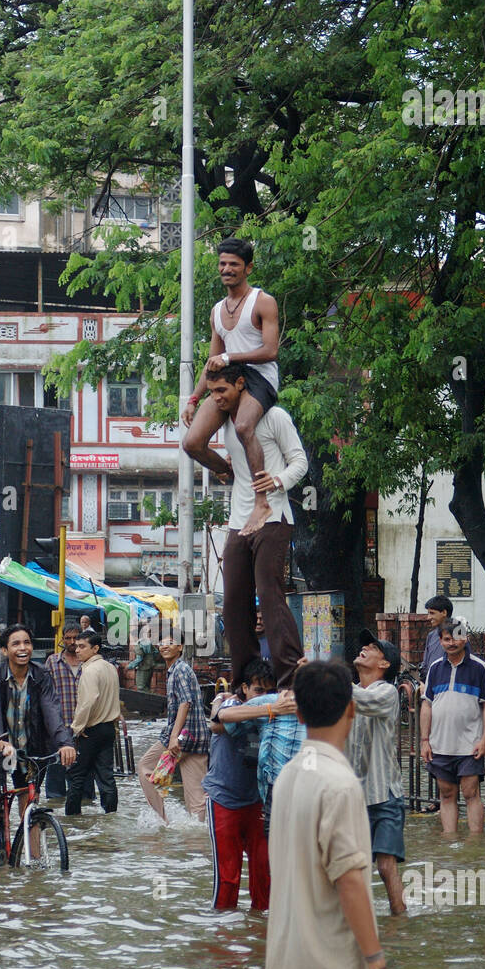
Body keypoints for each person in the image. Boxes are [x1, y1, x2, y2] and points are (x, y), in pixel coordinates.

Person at [265, 660, 393, 969]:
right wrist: (376, 963)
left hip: (290, 965)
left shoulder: (290, 776)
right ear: (351, 712)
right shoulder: (339, 786)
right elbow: (352, 882)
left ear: (298, 715)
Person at [187, 364, 307, 689]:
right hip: (239, 521)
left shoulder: (275, 416)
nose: (217, 399)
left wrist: (278, 479)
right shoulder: (227, 423)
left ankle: (291, 679)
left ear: (241, 384)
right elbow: (199, 446)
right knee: (233, 605)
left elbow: (300, 461)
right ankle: (245, 681)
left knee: (270, 597)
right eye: (211, 393)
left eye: (221, 391)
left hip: (274, 517)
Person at [182, 237, 281, 535]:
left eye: (234, 264)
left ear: (248, 268)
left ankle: (261, 501)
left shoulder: (262, 301)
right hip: (227, 380)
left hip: (259, 377)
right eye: (223, 263)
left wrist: (229, 356)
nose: (227, 269)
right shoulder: (217, 311)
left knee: (242, 428)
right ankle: (230, 471)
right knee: (192, 443)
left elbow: (271, 350)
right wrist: (194, 397)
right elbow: (213, 361)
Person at [0, 623, 76, 862]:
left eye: (26, 642)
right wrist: (0, 741)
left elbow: (53, 713)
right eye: (16, 643)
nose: (22, 647)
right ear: (5, 650)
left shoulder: (41, 676)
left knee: (30, 804)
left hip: (30, 749)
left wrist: (65, 743)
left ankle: (33, 861)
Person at [204, 659, 273, 913]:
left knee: (263, 871)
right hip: (225, 798)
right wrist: (265, 710)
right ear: (244, 688)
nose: (263, 697)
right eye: (258, 690)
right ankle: (223, 933)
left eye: (268, 692)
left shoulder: (276, 708)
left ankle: (260, 931)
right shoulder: (231, 703)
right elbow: (218, 723)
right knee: (228, 875)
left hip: (258, 801)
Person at [347, 631, 407, 915]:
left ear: (384, 665)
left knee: (385, 865)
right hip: (354, 797)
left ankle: (399, 917)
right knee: (350, 866)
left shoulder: (387, 692)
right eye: (366, 645)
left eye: (372, 648)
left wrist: (325, 675)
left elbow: (363, 701)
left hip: (384, 795)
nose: (364, 648)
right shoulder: (349, 691)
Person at [420, 618, 485, 834]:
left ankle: (475, 842)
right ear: (441, 641)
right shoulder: (435, 668)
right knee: (446, 794)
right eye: (446, 639)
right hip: (440, 744)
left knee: (471, 793)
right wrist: (425, 740)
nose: (451, 643)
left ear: (466, 639)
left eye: (456, 637)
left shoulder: (480, 668)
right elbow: (427, 705)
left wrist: (484, 741)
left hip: (470, 744)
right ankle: (449, 840)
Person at [137, 633, 210, 823]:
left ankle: (163, 821)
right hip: (198, 737)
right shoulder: (177, 670)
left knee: (145, 767)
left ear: (180, 647)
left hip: (183, 738)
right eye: (162, 643)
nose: (165, 646)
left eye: (171, 642)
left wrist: (173, 737)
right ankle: (198, 840)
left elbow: (185, 702)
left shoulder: (180, 670)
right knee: (196, 797)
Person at [218, 679, 303, 833]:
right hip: (268, 791)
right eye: (259, 690)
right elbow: (220, 719)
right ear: (244, 688)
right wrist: (272, 709)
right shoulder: (272, 702)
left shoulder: (325, 701)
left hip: (306, 789)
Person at [65, 628, 121, 816]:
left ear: (95, 648)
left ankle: (72, 819)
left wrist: (76, 728)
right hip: (108, 728)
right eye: (77, 646)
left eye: (82, 646)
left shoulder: (89, 671)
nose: (77, 650)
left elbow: (87, 702)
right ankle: (111, 815)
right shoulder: (110, 668)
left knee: (77, 776)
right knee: (106, 776)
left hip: (90, 730)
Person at [44, 623, 82, 796]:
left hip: (83, 728)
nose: (72, 642)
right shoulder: (53, 662)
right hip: (58, 726)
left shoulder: (89, 662)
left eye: (76, 638)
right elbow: (44, 694)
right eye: (68, 638)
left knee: (82, 779)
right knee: (55, 777)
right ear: (63, 640)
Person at [420, 595, 453, 680]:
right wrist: (423, 683)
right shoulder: (431, 635)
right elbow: (425, 664)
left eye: (432, 613)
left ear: (444, 612)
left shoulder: (457, 634)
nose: (428, 617)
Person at [127, 624, 161, 692]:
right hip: (150, 667)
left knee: (141, 688)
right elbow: (156, 652)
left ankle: (146, 702)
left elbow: (139, 659)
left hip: (143, 668)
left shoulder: (140, 644)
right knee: (147, 687)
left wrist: (129, 666)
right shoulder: (148, 642)